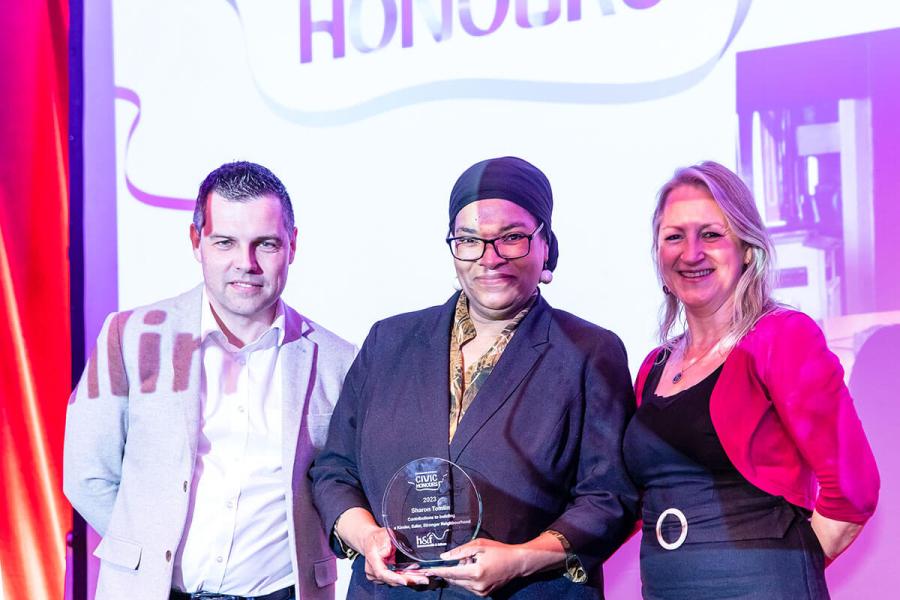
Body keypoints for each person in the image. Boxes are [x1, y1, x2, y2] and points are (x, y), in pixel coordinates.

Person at [310, 156, 638, 599]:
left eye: (512, 238)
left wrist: (522, 558)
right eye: (469, 240)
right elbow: (336, 470)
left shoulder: (588, 353)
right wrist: (368, 539)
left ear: (546, 245)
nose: (489, 258)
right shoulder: (388, 341)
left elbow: (609, 497)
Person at [64, 161, 356, 600]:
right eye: (225, 243)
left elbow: (343, 485)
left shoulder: (339, 360)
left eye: (266, 244)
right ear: (196, 241)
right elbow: (87, 474)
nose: (246, 263)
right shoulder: (128, 338)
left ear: (292, 245)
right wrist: (145, 548)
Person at [624, 161, 880, 599]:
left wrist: (783, 566)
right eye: (674, 237)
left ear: (746, 248)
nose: (691, 253)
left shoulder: (782, 337)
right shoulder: (653, 366)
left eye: (711, 234)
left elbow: (853, 491)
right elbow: (625, 503)